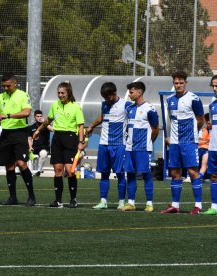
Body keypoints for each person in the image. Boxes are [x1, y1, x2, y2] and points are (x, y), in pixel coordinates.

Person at [33, 81, 85, 208]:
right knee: (57, 170)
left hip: (71, 139)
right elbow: (48, 120)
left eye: (63, 93)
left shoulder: (75, 107)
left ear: (68, 93)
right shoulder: (55, 105)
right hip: (57, 139)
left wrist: (81, 142)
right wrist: (38, 131)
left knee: (70, 171)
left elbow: (80, 126)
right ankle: (58, 200)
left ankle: (73, 200)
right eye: (59, 93)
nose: (60, 95)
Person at [161, 71, 204, 215]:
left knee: (193, 172)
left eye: (181, 83)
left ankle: (198, 206)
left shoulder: (194, 99)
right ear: (173, 83)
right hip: (174, 142)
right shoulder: (170, 100)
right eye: (176, 83)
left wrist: (193, 133)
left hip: (189, 142)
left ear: (186, 83)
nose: (178, 85)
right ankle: (175, 205)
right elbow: (170, 121)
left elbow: (200, 119)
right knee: (174, 172)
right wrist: (168, 137)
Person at [86, 82, 131, 210]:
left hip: (119, 145)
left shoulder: (126, 105)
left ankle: (122, 202)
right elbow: (102, 117)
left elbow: (139, 109)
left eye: (108, 97)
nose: (106, 100)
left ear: (114, 93)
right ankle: (103, 201)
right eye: (104, 97)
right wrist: (91, 126)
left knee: (120, 174)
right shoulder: (105, 104)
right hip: (103, 144)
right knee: (104, 174)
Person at [0, 73, 36, 207]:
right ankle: (13, 197)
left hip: (20, 132)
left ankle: (31, 195)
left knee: (22, 163)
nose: (5, 88)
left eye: (8, 85)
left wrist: (7, 116)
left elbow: (26, 112)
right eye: (3, 86)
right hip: (6, 134)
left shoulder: (23, 95)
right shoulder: (1, 97)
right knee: (9, 166)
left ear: (15, 83)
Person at [122, 81, 159, 212]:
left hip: (143, 148)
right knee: (130, 174)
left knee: (146, 174)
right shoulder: (129, 109)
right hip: (129, 148)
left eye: (131, 92)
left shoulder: (150, 108)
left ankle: (149, 203)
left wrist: (149, 143)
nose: (129, 94)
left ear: (140, 92)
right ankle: (131, 202)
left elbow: (155, 129)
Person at [203, 75, 217, 215]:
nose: (214, 88)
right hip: (213, 147)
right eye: (213, 86)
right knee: (213, 176)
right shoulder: (212, 106)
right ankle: (214, 207)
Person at [27, 110, 53, 177]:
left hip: (44, 147)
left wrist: (45, 123)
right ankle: (22, 171)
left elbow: (52, 129)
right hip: (34, 147)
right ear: (35, 117)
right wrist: (30, 147)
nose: (39, 118)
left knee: (43, 153)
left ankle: (39, 170)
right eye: (37, 116)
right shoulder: (31, 127)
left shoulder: (46, 125)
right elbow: (29, 138)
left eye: (41, 116)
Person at [198, 113, 211, 180]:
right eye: (207, 120)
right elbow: (198, 142)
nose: (208, 122)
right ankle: (196, 176)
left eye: (210, 120)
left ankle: (200, 176)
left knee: (205, 159)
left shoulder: (215, 130)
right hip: (200, 149)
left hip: (209, 150)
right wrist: (207, 141)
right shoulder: (202, 131)